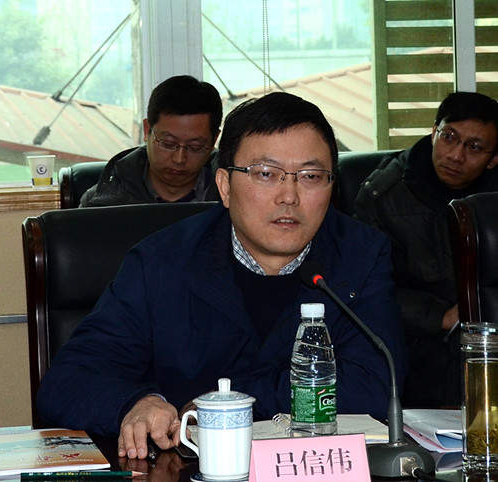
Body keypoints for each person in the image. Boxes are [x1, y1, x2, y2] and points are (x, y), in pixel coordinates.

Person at [37, 92, 408, 460]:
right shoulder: (162, 262)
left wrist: (227, 403)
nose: (289, 196)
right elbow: (66, 383)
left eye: (311, 176)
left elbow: (376, 386)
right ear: (225, 186)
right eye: (266, 174)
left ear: (331, 186)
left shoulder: (361, 255)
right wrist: (133, 403)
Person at [353, 91, 498, 408]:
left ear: (493, 159)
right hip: (421, 338)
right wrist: (438, 317)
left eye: (474, 147)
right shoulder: (383, 195)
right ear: (434, 132)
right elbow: (361, 286)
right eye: (449, 137)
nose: (456, 155)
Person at [80, 75, 223, 206]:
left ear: (214, 140)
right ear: (147, 129)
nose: (179, 159)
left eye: (195, 147)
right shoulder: (102, 204)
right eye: (168, 143)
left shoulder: (230, 201)